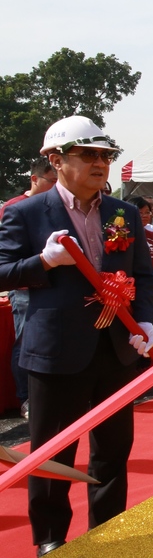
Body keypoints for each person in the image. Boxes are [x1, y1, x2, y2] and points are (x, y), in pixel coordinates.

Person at [0, 115, 153, 558]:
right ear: (55, 159)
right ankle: (50, 538)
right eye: (87, 154)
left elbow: (142, 277)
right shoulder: (25, 213)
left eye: (105, 155)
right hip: (55, 352)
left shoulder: (122, 212)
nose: (99, 163)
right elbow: (2, 270)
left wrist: (145, 319)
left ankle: (106, 531)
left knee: (113, 448)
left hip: (116, 350)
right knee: (52, 453)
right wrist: (43, 262)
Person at [2, 156, 58, 419]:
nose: (58, 186)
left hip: (52, 286)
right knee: (26, 342)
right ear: (34, 179)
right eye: (53, 181)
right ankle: (26, 398)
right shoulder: (16, 208)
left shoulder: (57, 206)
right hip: (25, 287)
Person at [127, 196, 153, 351]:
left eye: (147, 212)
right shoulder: (123, 232)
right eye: (140, 212)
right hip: (133, 289)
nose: (144, 215)